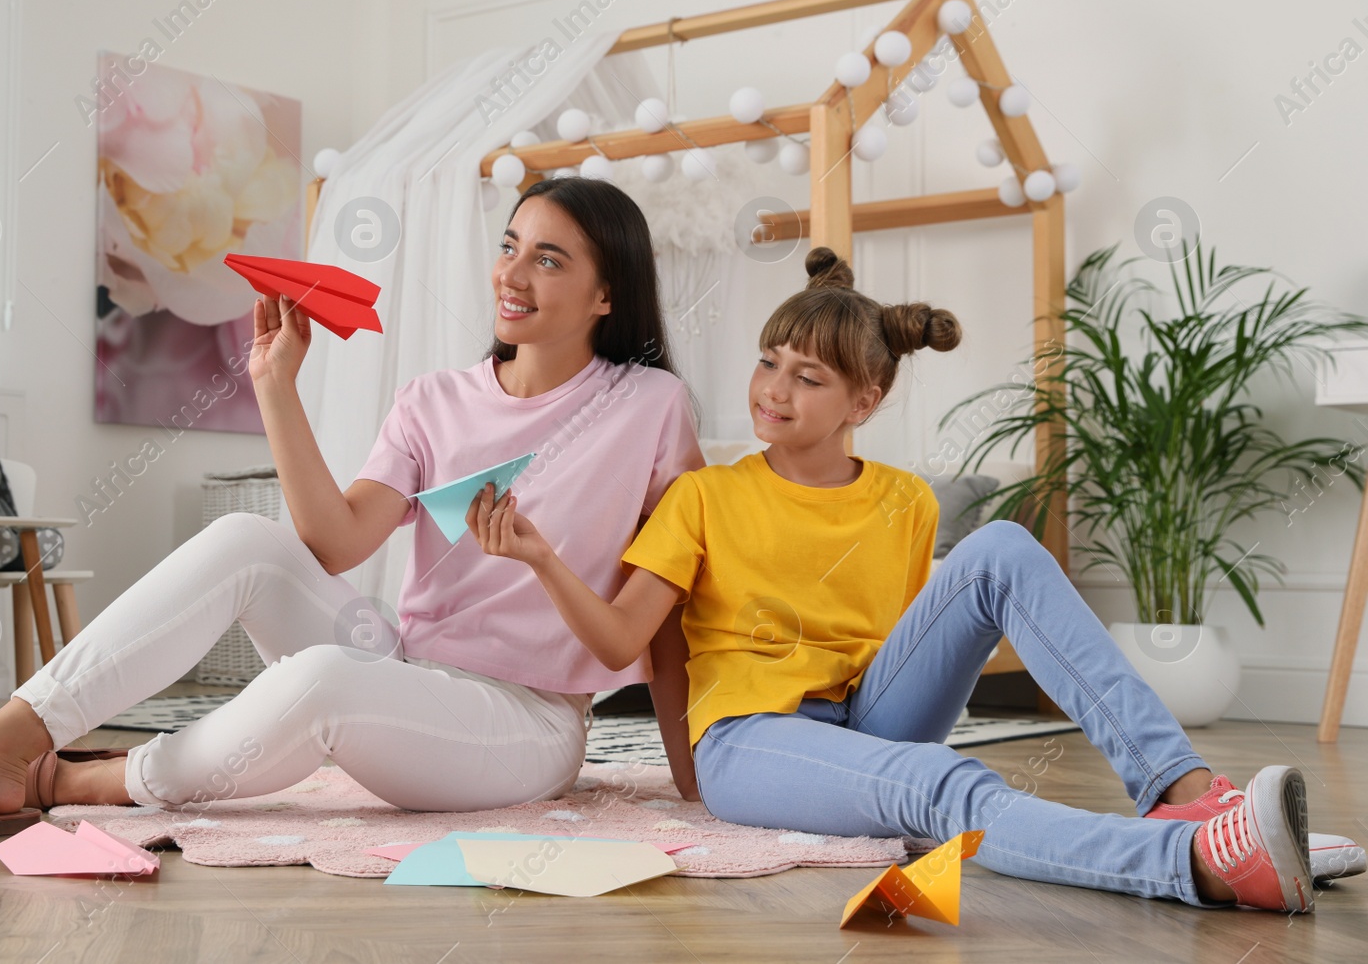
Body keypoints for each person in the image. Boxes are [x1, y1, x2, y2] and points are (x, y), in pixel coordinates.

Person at [0, 177, 703, 838]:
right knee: (245, 537)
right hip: (406, 664)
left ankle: (79, 781)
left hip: (525, 721)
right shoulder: (434, 398)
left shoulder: (650, 407)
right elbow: (333, 540)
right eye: (509, 244)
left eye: (549, 258)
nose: (515, 271)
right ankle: (4, 745)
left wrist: (689, 769)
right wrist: (275, 387)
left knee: (320, 682)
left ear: (606, 292)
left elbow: (665, 611)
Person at [465, 244, 1318, 914]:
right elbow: (624, 638)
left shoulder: (905, 500)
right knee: (940, 786)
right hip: (750, 737)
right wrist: (541, 557)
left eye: (808, 377)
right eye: (769, 363)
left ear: (863, 400)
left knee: (1002, 551)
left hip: (867, 713)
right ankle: (1196, 865)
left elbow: (899, 645)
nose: (774, 390)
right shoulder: (704, 495)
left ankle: (1185, 791)